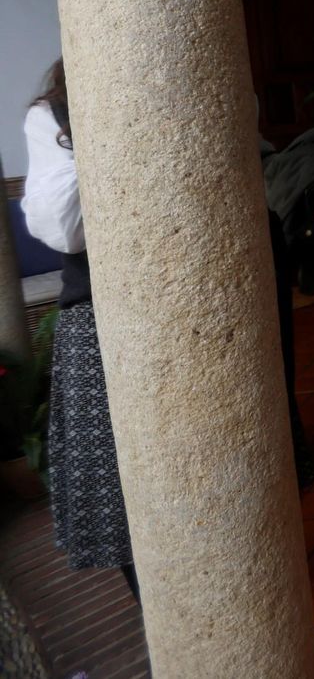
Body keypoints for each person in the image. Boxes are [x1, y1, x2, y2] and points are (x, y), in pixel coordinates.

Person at [20, 60, 136, 596]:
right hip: (98, 311)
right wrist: (99, 132)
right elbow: (66, 230)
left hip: (183, 301)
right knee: (117, 481)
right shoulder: (52, 118)